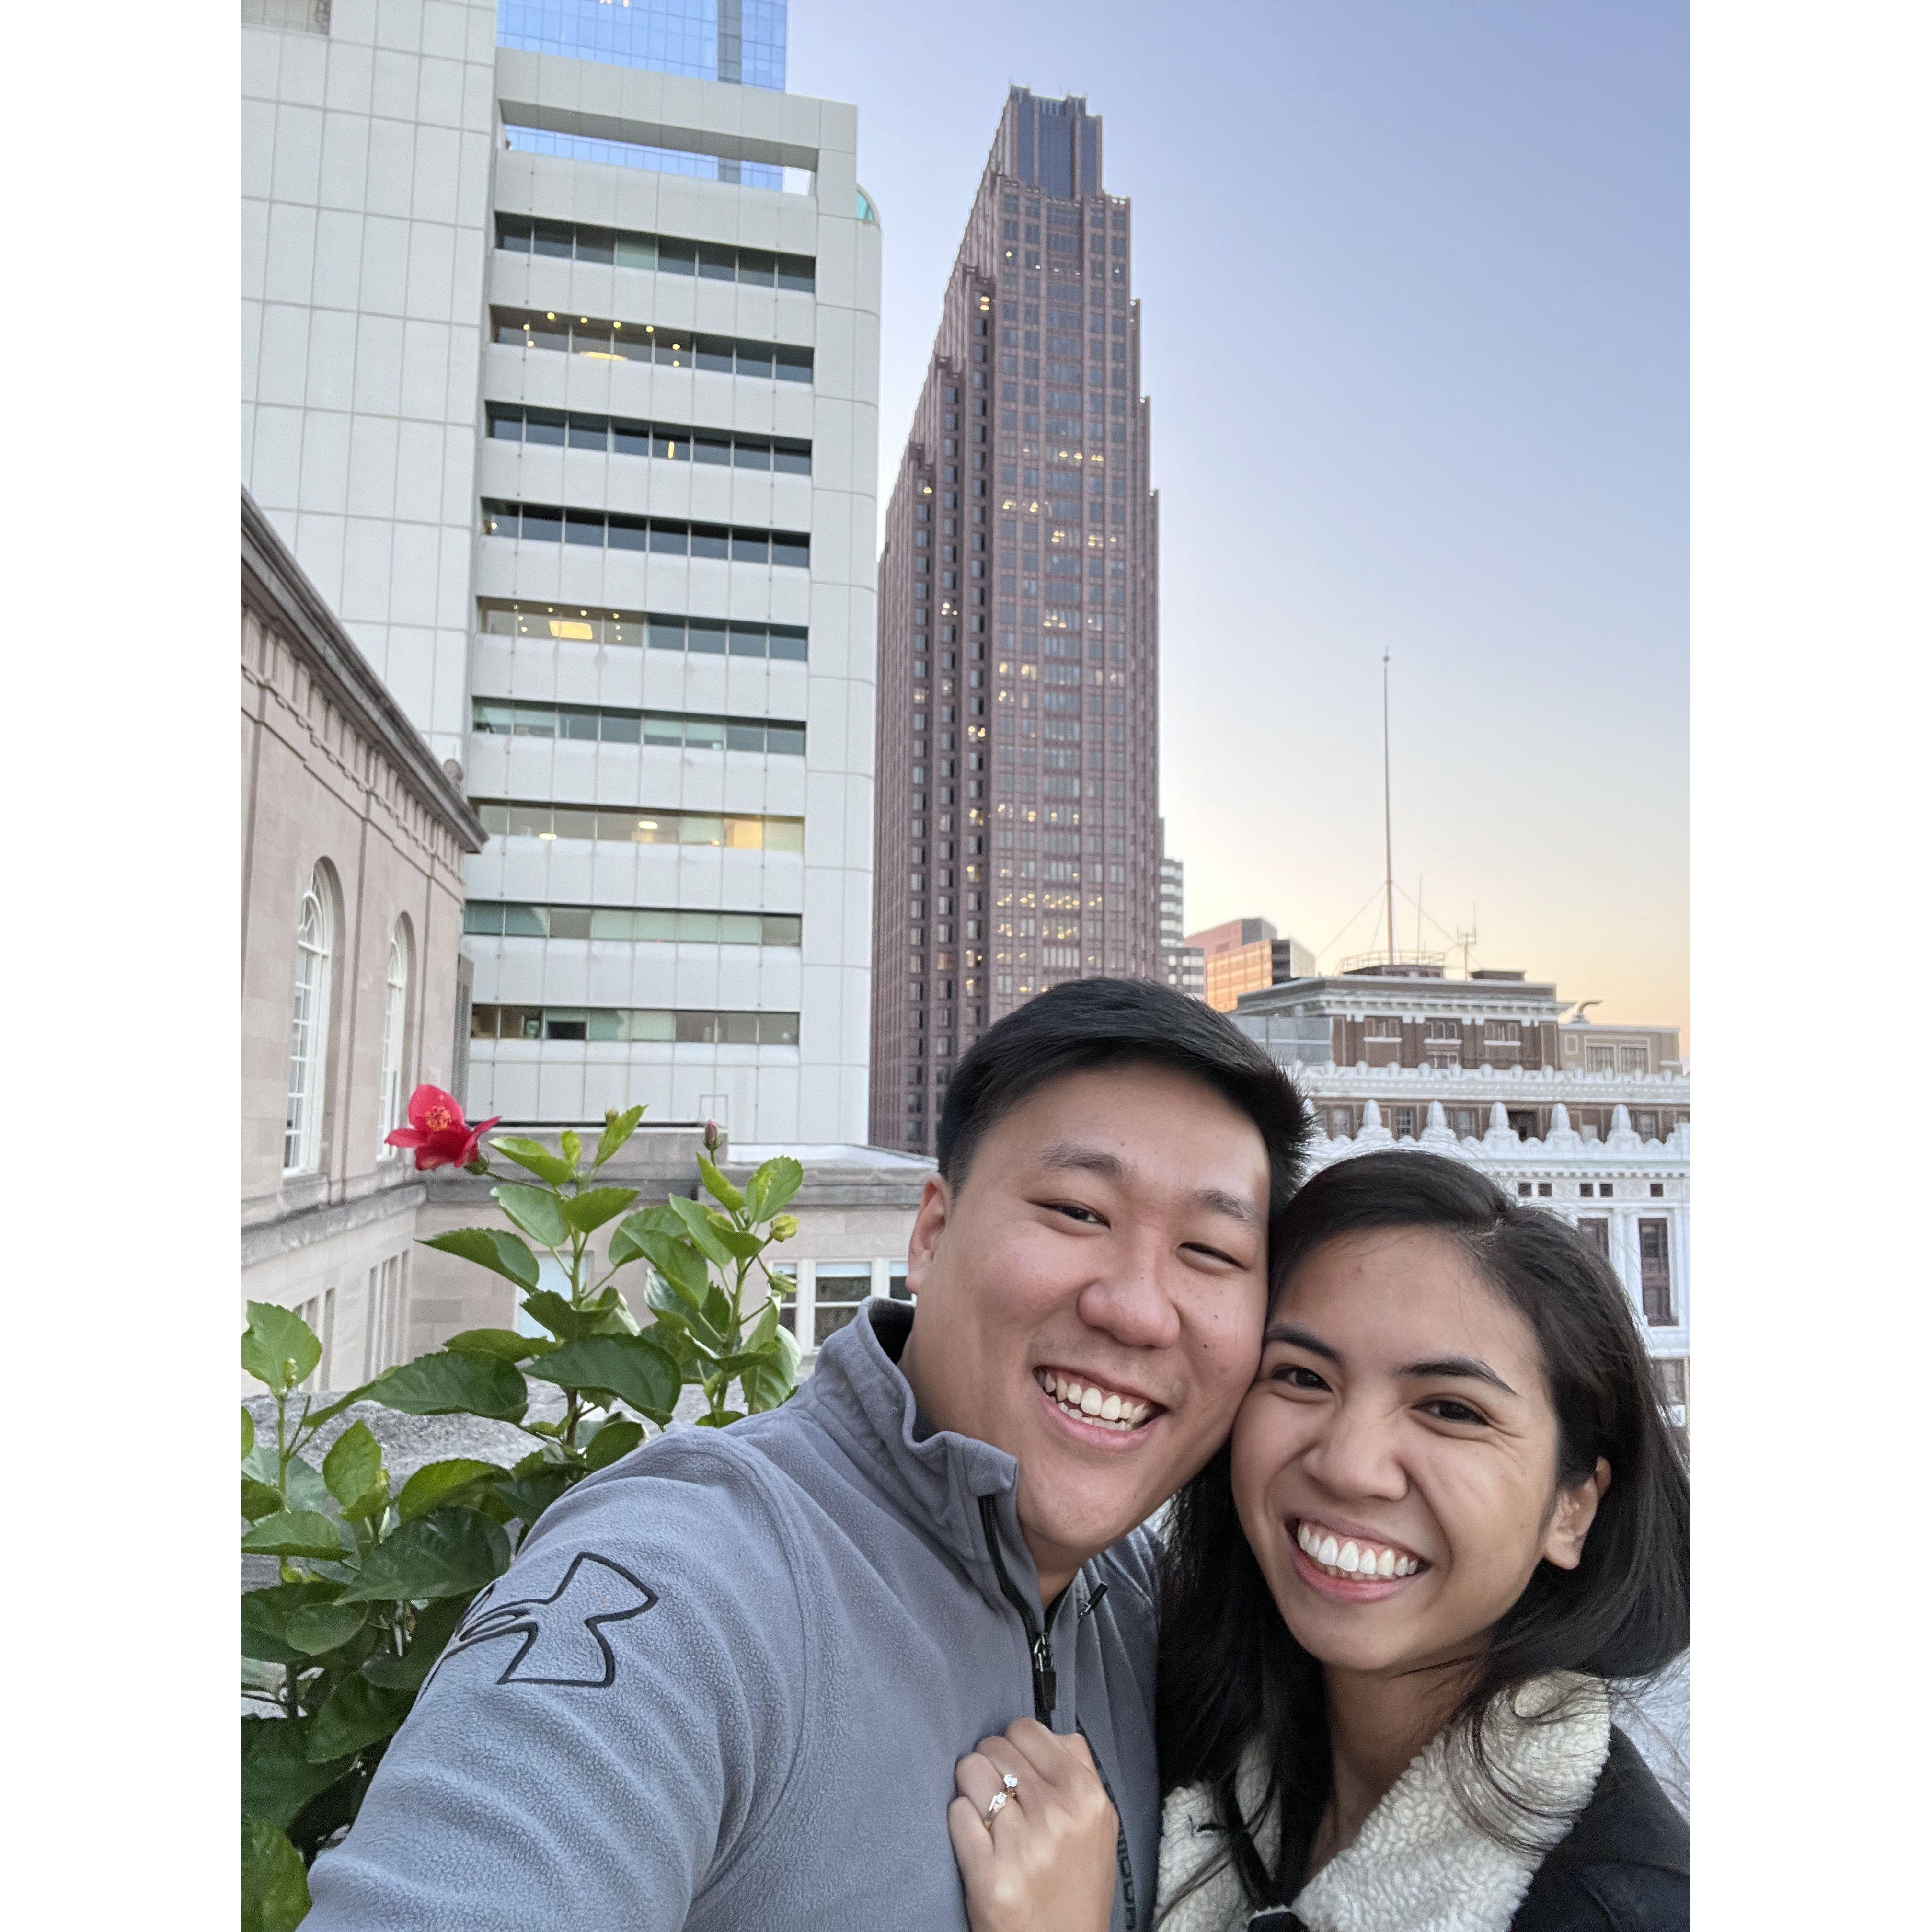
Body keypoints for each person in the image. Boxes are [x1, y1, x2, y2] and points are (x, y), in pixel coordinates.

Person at [302, 977, 1311, 1931]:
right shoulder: (689, 1582)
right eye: (1077, 1213)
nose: (1136, 1307)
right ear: (931, 1234)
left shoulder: (1148, 1605)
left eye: (1212, 1254)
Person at [952, 1150, 1690, 1932]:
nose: (1347, 1466)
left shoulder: (1626, 1906)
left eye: (1450, 1410)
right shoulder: (1174, 1733)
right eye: (1303, 1378)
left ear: (1572, 1509)